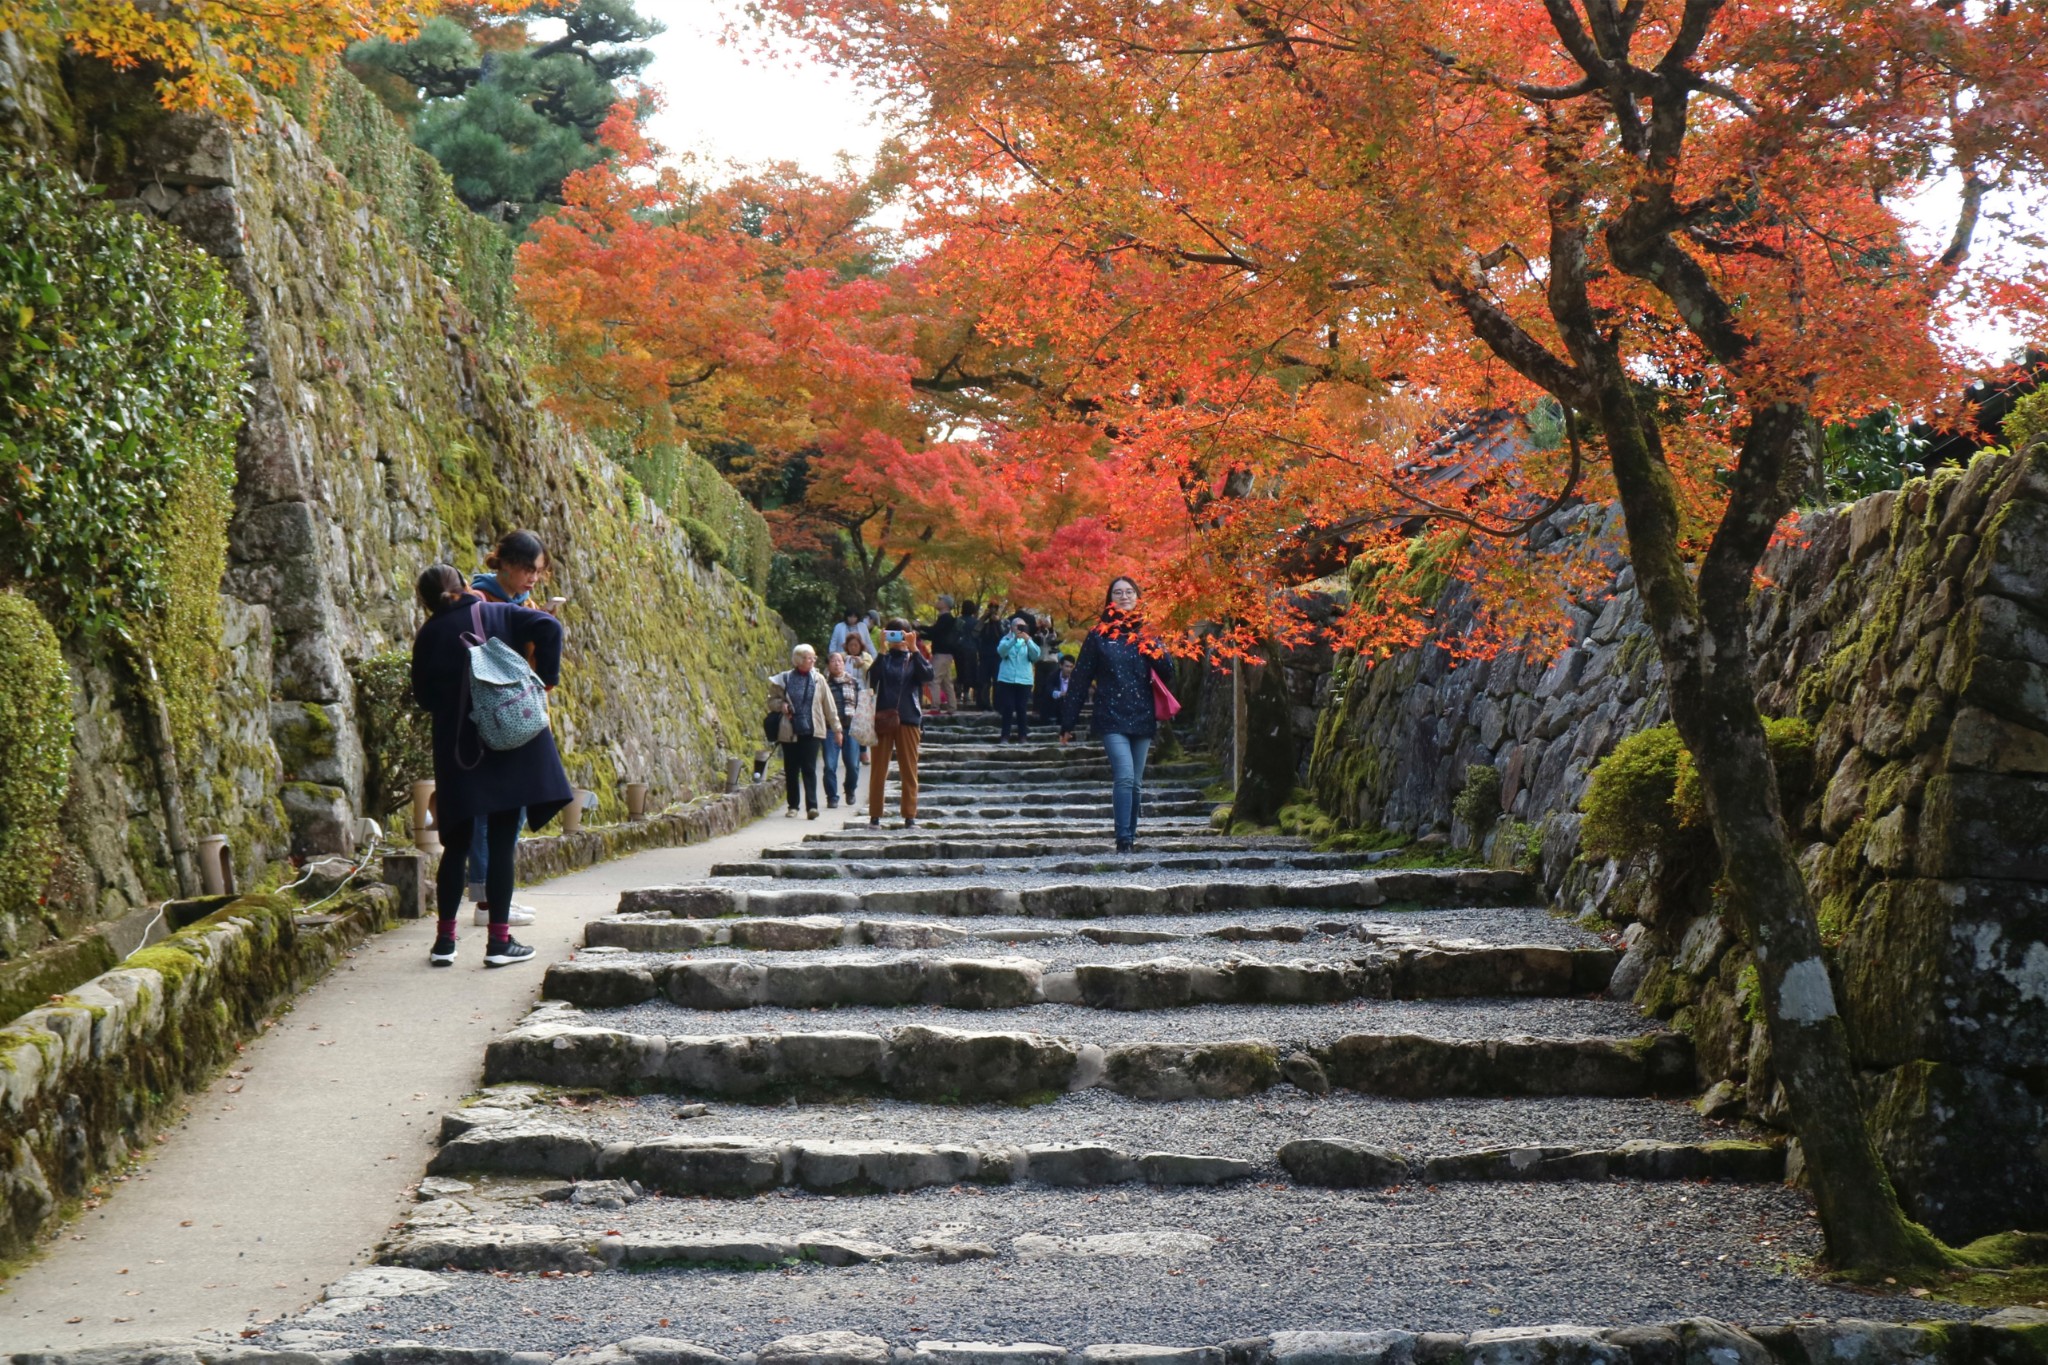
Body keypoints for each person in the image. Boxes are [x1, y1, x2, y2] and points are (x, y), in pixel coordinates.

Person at [410, 563, 571, 967]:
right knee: (501, 845)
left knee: (456, 846)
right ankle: (499, 943)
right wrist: (545, 677)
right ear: (464, 586)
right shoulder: (494, 613)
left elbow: (424, 699)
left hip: (457, 751)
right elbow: (550, 628)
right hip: (507, 743)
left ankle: (444, 943)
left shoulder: (428, 634)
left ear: (425, 601)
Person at [464, 531, 556, 930]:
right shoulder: (476, 601)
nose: (532, 578)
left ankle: (500, 896)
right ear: (503, 564)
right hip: (488, 718)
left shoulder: (525, 604)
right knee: (488, 812)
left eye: (538, 572)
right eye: (526, 570)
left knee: (515, 810)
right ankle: (486, 903)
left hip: (520, 717)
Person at [1061, 577, 1174, 853]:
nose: (1124, 597)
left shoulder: (1148, 633)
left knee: (1136, 782)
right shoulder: (1098, 635)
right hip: (1110, 714)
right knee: (1124, 776)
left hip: (1142, 713)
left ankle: (1131, 834)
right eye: (1118, 593)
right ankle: (1123, 839)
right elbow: (1079, 680)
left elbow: (1169, 671)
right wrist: (1068, 722)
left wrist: (1153, 648)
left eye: (1129, 592)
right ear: (1110, 599)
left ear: (1137, 597)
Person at [867, 618, 934, 828]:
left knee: (909, 769)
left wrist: (915, 649)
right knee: (878, 769)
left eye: (902, 634)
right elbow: (872, 678)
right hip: (884, 718)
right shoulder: (884, 658)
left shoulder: (914, 658)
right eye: (893, 633)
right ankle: (875, 815)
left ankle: (910, 816)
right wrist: (881, 649)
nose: (898, 638)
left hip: (909, 718)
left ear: (909, 634)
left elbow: (927, 676)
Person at [770, 644, 841, 820]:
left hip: (812, 729)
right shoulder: (784, 679)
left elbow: (829, 706)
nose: (813, 660)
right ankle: (793, 806)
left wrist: (837, 729)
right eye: (810, 657)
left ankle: (812, 806)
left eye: (814, 658)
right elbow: (771, 702)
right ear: (799, 660)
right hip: (790, 730)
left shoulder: (819, 680)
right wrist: (781, 705)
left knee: (809, 768)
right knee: (791, 769)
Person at [822, 650, 864, 810]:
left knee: (853, 764)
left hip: (851, 728)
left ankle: (850, 789)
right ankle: (832, 796)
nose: (837, 663)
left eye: (839, 661)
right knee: (830, 765)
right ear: (828, 665)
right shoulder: (824, 684)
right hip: (830, 729)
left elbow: (861, 705)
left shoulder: (853, 682)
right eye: (833, 661)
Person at [994, 614, 1042, 743]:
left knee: (1022, 708)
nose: (1020, 628)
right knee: (1008, 707)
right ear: (1011, 627)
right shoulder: (1006, 639)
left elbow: (1036, 656)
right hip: (1007, 679)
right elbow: (1002, 652)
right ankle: (1005, 736)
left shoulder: (1028, 641)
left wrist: (1028, 640)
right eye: (1017, 626)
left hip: (1024, 680)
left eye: (1022, 626)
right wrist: (1014, 639)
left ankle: (1023, 736)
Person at [924, 596, 959, 715]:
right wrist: (920, 635)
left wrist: (920, 627)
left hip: (942, 654)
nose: (937, 601)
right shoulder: (946, 619)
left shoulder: (945, 618)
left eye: (940, 600)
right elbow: (936, 635)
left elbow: (934, 631)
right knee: (946, 681)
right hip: (946, 654)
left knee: (933, 679)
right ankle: (952, 707)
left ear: (945, 604)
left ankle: (935, 707)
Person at [952, 601, 982, 713]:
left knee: (960, 670)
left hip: (959, 649)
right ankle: (967, 693)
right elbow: (978, 637)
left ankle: (958, 693)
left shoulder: (958, 621)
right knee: (971, 671)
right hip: (972, 649)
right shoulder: (976, 622)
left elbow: (955, 635)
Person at [976, 602, 1003, 711]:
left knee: (997, 682)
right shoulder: (984, 624)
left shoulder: (1001, 623)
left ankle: (998, 704)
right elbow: (975, 632)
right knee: (983, 682)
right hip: (984, 656)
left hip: (997, 656)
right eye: (990, 608)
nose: (992, 611)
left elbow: (1002, 636)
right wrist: (983, 618)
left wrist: (997, 622)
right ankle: (983, 704)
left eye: (995, 609)